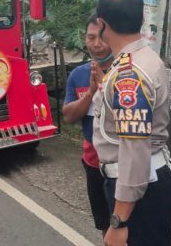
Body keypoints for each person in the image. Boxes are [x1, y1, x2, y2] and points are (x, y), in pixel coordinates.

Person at [93, 0, 171, 246]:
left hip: (138, 191)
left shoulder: (128, 74)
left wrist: (120, 221)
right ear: (142, 19)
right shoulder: (146, 57)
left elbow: (134, 150)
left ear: (101, 24)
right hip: (149, 182)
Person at [62, 14, 114, 237]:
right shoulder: (78, 75)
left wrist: (105, 88)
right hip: (93, 161)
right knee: (105, 224)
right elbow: (68, 116)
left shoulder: (128, 72)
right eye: (91, 37)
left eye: (102, 38)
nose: (97, 44)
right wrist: (91, 93)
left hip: (124, 162)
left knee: (130, 223)